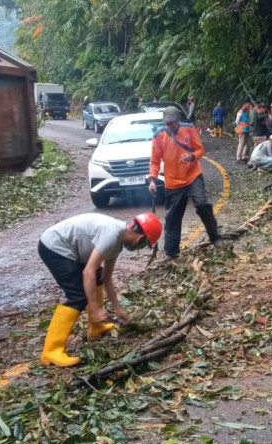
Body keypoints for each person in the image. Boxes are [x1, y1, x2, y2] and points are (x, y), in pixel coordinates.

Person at [38, 212, 162, 367]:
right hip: (54, 246)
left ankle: (96, 328)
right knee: (78, 295)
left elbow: (106, 277)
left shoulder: (117, 241)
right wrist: (96, 309)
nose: (138, 249)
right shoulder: (111, 234)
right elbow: (87, 271)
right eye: (143, 246)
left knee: (97, 276)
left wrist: (118, 309)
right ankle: (51, 351)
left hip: (69, 249)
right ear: (140, 239)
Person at [148, 107, 222, 260]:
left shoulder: (188, 129)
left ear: (178, 121)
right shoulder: (159, 135)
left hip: (193, 176)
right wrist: (152, 179)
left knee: (202, 205)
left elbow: (200, 149)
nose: (171, 127)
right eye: (168, 124)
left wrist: (191, 156)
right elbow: (154, 161)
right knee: (173, 219)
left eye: (173, 124)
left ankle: (215, 237)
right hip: (173, 183)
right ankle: (171, 253)